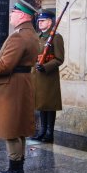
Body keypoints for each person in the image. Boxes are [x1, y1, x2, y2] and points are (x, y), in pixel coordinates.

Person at [0, 0, 39, 173]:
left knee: (11, 128)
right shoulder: (31, 34)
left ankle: (15, 172)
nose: (10, 15)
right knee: (19, 127)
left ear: (22, 16)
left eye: (13, 12)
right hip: (22, 84)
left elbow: (5, 65)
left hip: (12, 85)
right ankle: (16, 169)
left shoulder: (19, 36)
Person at [31, 9, 64, 143]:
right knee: (41, 105)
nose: (40, 22)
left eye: (43, 20)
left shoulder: (56, 37)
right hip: (38, 77)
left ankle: (49, 133)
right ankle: (41, 131)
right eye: (39, 20)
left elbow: (59, 59)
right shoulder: (39, 37)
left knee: (49, 105)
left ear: (50, 22)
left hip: (49, 77)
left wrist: (45, 66)